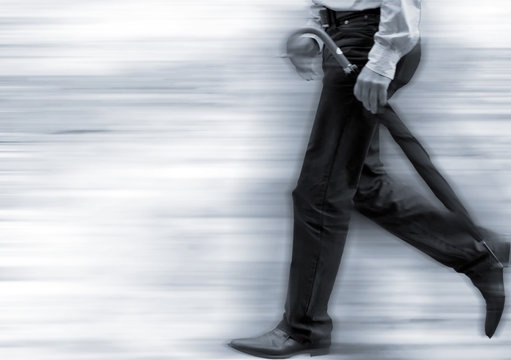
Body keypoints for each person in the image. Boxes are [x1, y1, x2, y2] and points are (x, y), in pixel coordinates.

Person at [228, 1, 510, 358]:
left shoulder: (377, 49)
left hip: (369, 44)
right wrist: (317, 29)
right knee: (362, 184)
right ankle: (479, 255)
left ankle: (303, 329)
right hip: (348, 39)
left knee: (319, 192)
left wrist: (382, 58)